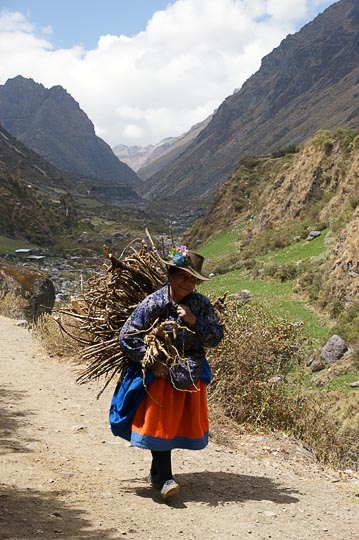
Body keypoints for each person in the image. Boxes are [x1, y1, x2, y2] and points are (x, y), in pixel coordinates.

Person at [109, 245, 224, 499]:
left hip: (189, 375)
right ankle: (166, 479)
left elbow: (216, 337)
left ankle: (156, 473)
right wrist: (152, 363)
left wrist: (195, 321)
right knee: (160, 425)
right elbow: (126, 336)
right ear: (170, 274)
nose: (188, 282)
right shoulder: (154, 302)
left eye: (193, 279)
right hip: (160, 375)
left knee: (172, 426)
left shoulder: (200, 305)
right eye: (183, 276)